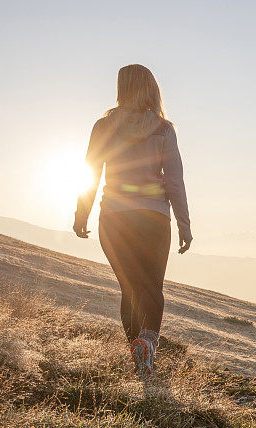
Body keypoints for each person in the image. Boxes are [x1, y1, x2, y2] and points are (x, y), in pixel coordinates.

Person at [73, 64, 192, 376]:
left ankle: (137, 353)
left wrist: (81, 214)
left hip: (113, 217)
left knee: (129, 289)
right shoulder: (164, 129)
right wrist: (184, 224)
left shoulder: (103, 126)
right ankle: (148, 345)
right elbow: (175, 180)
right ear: (151, 87)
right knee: (152, 288)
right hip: (153, 218)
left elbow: (91, 173)